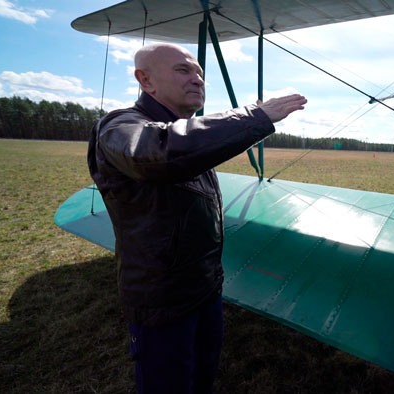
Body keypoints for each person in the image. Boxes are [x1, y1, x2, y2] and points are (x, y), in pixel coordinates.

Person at [87, 43, 307, 393]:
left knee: (202, 379)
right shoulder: (120, 126)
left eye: (200, 74)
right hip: (162, 299)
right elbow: (159, 152)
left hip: (204, 291)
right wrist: (254, 116)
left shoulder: (187, 130)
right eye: (183, 70)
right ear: (145, 80)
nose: (197, 79)